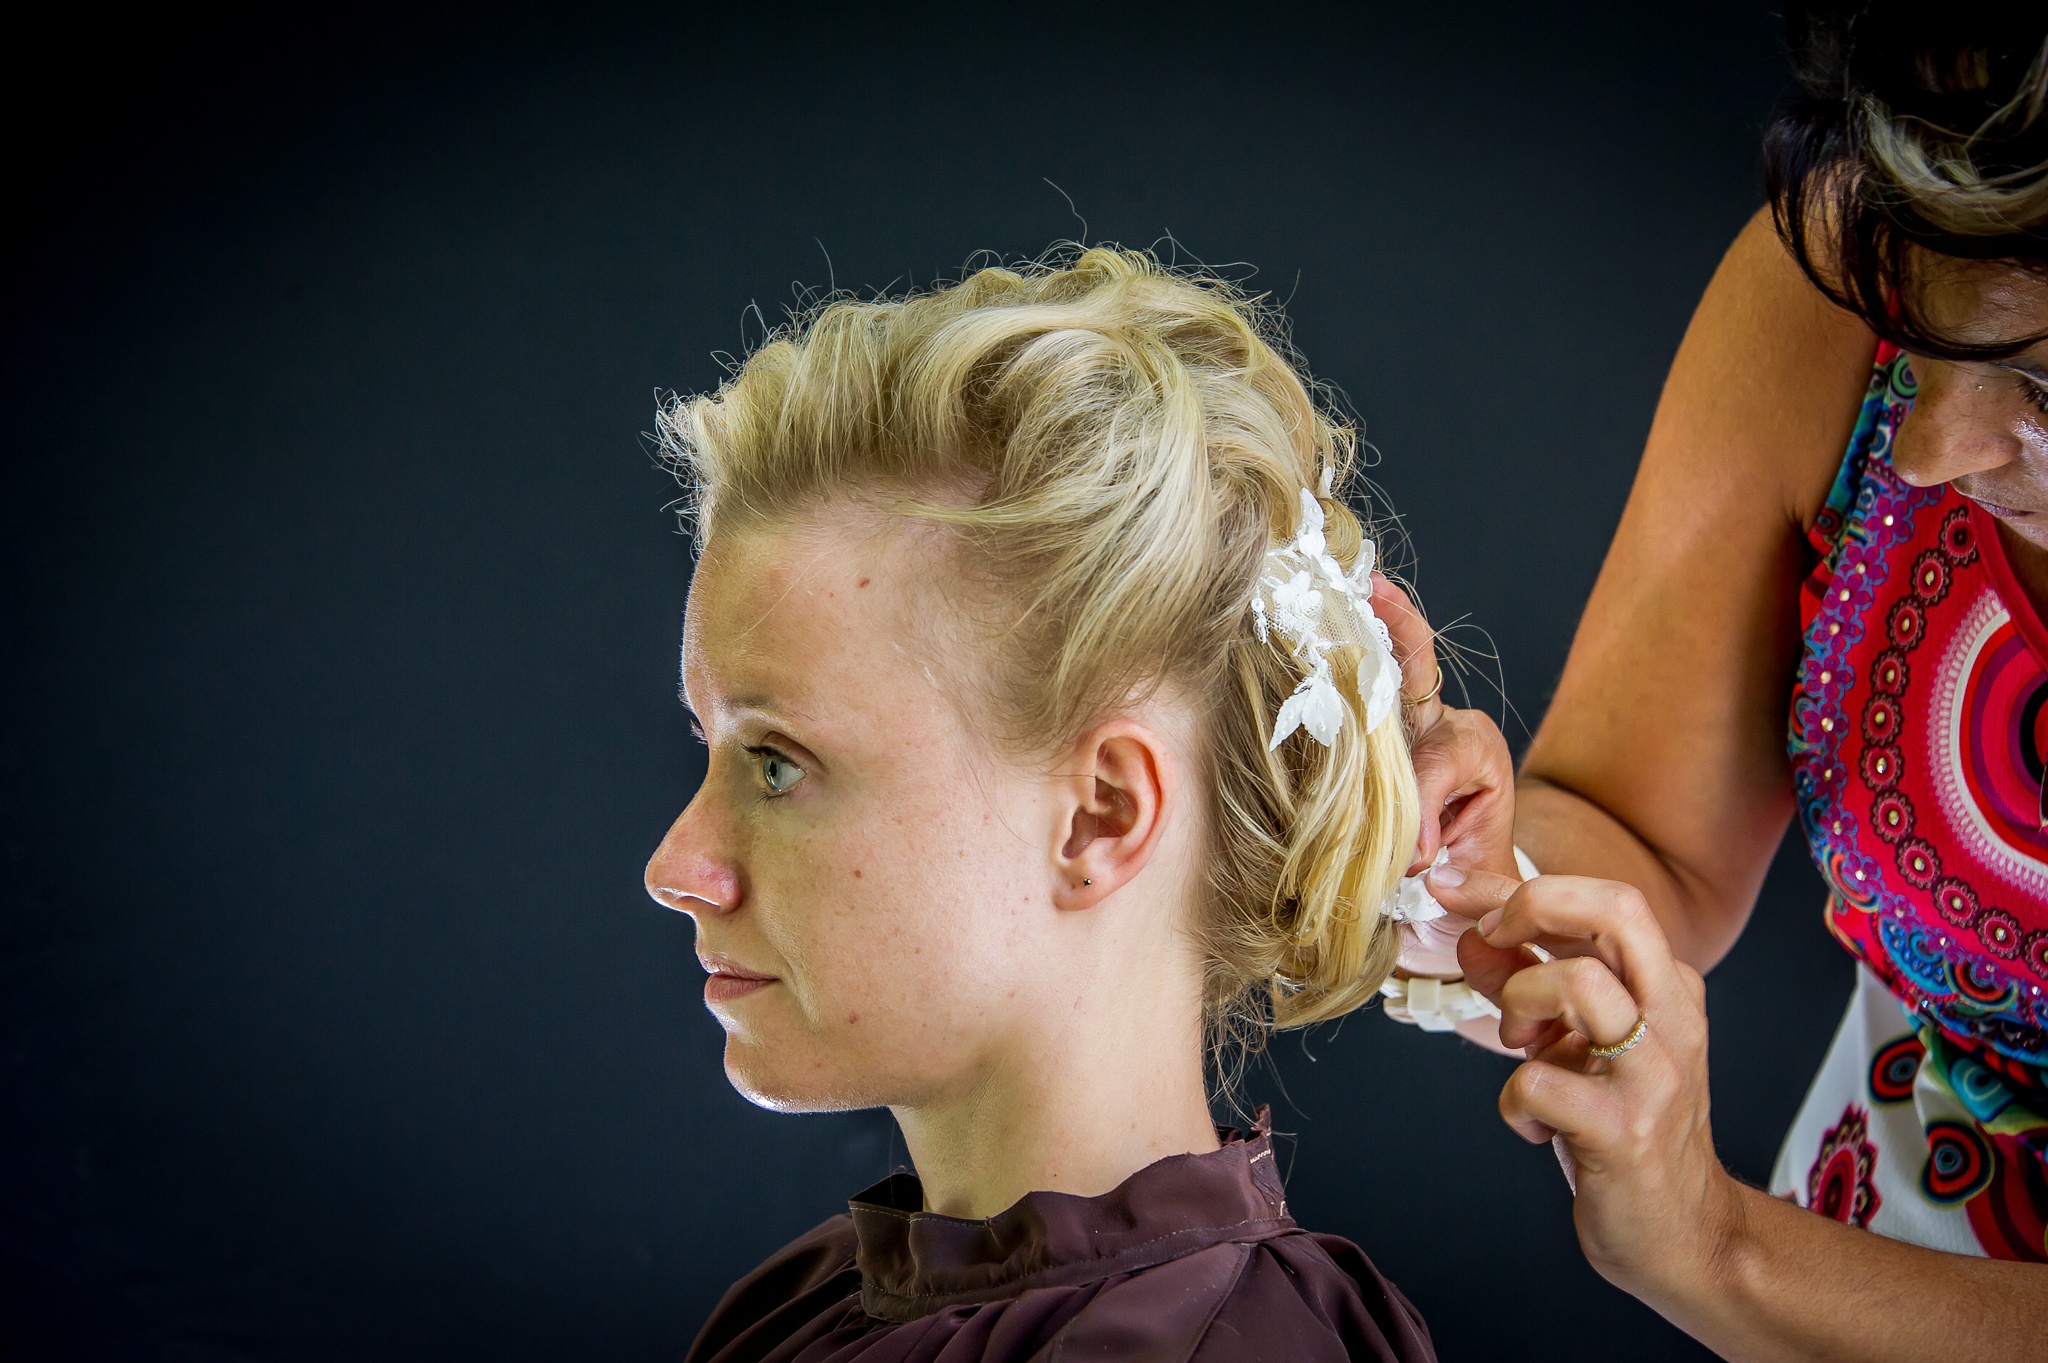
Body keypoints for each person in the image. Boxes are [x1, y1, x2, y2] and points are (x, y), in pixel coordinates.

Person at [1382, 4, 2048, 1358]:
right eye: (1920, 317)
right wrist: (1456, 860)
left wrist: (1715, 1249)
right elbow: (1641, 839)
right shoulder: (1845, 266)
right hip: (1848, 1225)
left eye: (2041, 383)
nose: (1923, 448)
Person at [643, 249, 1439, 1361]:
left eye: (776, 762)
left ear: (1098, 817)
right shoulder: (798, 1308)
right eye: (711, 750)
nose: (677, 864)